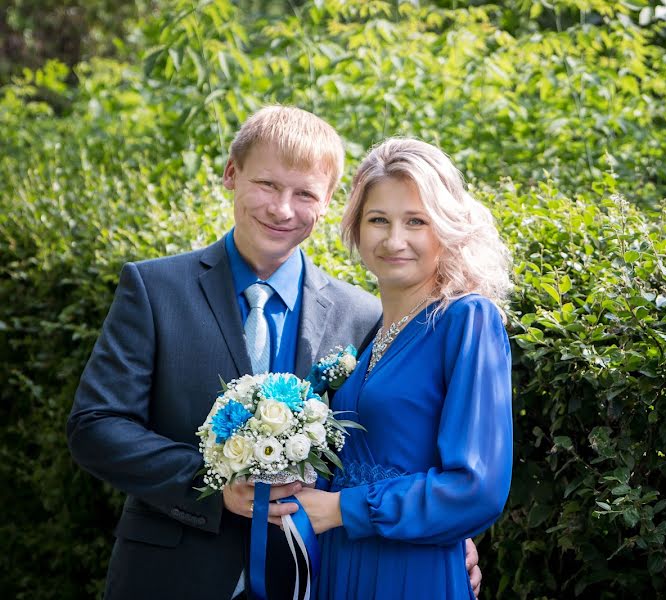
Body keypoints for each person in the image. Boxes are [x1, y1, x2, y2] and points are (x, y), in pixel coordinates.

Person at [67, 107, 481, 599]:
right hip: (172, 575)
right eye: (266, 184)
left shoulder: (364, 314)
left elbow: (391, 442)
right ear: (231, 174)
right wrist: (213, 486)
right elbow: (95, 424)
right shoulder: (155, 289)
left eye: (304, 193)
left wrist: (447, 531)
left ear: (328, 202)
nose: (283, 209)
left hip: (312, 576)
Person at [293, 137, 514, 599]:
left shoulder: (467, 320)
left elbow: (475, 488)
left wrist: (341, 509)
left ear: (447, 228)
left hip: (410, 573)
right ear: (356, 228)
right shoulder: (372, 335)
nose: (395, 240)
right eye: (378, 220)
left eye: (416, 221)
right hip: (341, 564)